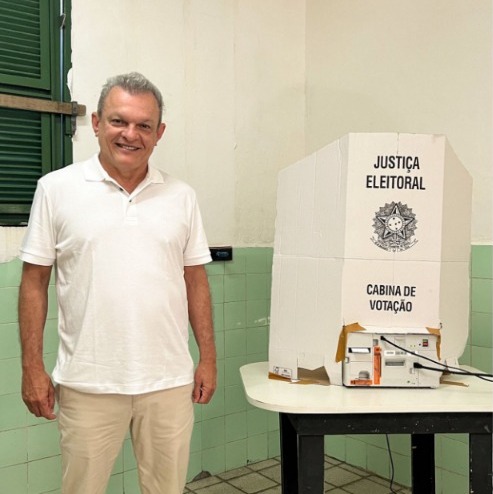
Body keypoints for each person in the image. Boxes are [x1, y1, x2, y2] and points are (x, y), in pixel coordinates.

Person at [18, 72, 216, 494]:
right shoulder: (56, 189)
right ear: (95, 123)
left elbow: (195, 280)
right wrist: (32, 367)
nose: (131, 134)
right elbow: (34, 282)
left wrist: (208, 359)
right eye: (118, 121)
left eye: (144, 125)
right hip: (89, 382)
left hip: (168, 382)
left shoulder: (182, 197)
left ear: (159, 133)